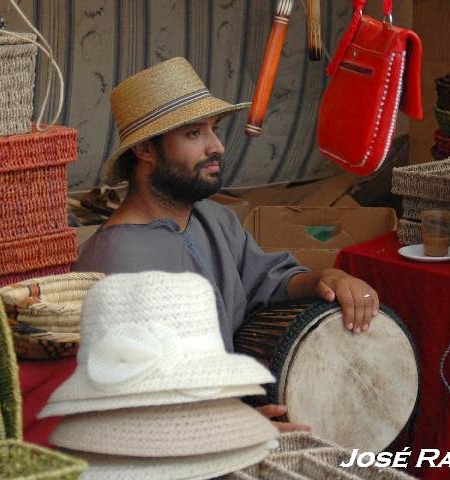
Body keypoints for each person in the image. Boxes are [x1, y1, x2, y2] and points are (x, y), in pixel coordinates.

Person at [74, 57, 380, 431]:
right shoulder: (116, 262)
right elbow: (129, 399)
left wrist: (327, 278)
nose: (216, 146)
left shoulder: (213, 218)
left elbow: (265, 279)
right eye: (193, 134)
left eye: (213, 130)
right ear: (146, 151)